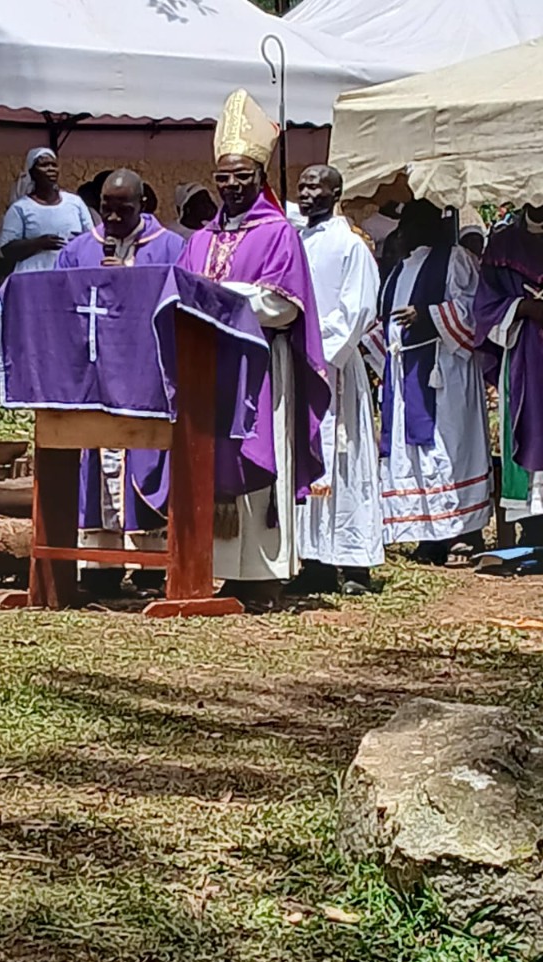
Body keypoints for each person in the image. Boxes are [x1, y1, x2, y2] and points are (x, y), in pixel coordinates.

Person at [178, 89, 330, 604]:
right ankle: (221, 566)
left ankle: (264, 572)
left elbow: (284, 306)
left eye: (243, 176)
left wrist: (225, 299)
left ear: (260, 177)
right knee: (212, 459)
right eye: (224, 177)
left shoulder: (279, 233)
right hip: (211, 369)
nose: (233, 186)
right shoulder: (199, 239)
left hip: (262, 366)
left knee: (259, 459)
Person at [56, 168, 185, 597]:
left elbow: (181, 306)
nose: (111, 218)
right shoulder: (78, 250)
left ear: (143, 205)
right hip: (95, 379)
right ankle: (99, 563)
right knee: (94, 461)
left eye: (122, 209)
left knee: (147, 459)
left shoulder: (171, 248)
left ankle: (149, 564)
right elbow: (60, 304)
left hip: (147, 375)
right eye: (105, 208)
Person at [365, 199, 492, 565]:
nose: (407, 231)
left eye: (416, 223)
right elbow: (386, 321)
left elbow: (473, 312)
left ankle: (463, 531)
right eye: (405, 223)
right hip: (405, 375)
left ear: (434, 225)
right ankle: (427, 531)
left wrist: (429, 316)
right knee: (415, 453)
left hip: (445, 374)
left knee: (450, 447)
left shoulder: (455, 259)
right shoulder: (398, 269)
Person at [292, 165, 383, 595]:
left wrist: (318, 348)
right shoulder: (294, 241)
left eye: (316, 186)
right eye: (303, 186)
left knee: (345, 461)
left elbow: (359, 309)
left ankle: (354, 562)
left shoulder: (352, 246)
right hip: (300, 365)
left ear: (336, 192)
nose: (306, 193)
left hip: (336, 371)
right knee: (309, 457)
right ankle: (314, 561)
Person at [474, 201, 543, 544]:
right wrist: (524, 307)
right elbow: (484, 306)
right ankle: (532, 528)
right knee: (528, 427)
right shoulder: (502, 243)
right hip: (524, 352)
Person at [0, 148, 93, 275]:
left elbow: (91, 239)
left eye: (54, 165)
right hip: (34, 275)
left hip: (69, 274)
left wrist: (77, 242)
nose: (51, 169)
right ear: (32, 172)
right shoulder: (20, 208)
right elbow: (7, 249)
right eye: (44, 165)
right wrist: (39, 243)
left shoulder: (75, 203)